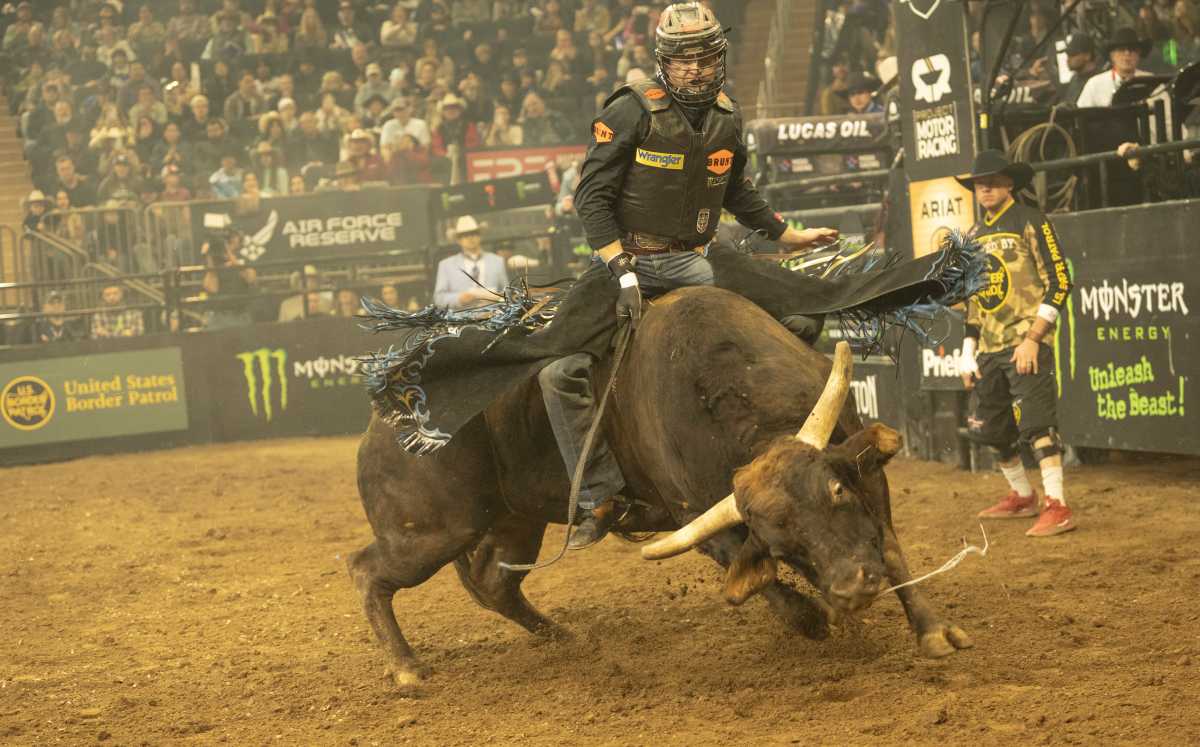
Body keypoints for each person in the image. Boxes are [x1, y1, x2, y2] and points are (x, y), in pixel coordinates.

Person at [541, 2, 839, 547]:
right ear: (663, 62)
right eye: (683, 61)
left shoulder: (728, 114)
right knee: (559, 375)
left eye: (705, 59)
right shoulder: (630, 110)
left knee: (796, 322)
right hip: (621, 261)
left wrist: (786, 234)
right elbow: (592, 197)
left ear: (720, 59)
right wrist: (622, 270)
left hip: (696, 260)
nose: (696, 70)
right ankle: (600, 497)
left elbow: (738, 190)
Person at [956, 150, 1075, 537]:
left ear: (1010, 184)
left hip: (1027, 342)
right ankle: (1022, 495)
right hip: (989, 347)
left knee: (1039, 426)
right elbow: (975, 300)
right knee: (990, 428)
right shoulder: (973, 236)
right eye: (978, 182)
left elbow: (1060, 282)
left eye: (992, 180)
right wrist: (967, 351)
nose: (984, 187)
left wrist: (1034, 339)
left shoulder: (1031, 221)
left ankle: (1058, 505)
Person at [433, 215, 508, 309]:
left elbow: (508, 292)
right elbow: (438, 298)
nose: (470, 238)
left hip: (494, 318)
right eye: (464, 235)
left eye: (474, 233)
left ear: (480, 236)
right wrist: (458, 298)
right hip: (461, 320)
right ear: (458, 240)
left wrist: (499, 296)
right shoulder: (446, 265)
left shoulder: (497, 261)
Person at [1076, 28, 1152, 108]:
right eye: (1121, 49)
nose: (1127, 53)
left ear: (1139, 54)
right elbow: (1080, 116)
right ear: (1112, 55)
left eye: (1132, 49)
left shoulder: (1151, 82)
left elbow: (1166, 116)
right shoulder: (1095, 84)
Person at [1058, 33, 1099, 107]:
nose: (1068, 59)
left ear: (1087, 56)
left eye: (1072, 54)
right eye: (1067, 55)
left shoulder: (1098, 80)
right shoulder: (1074, 79)